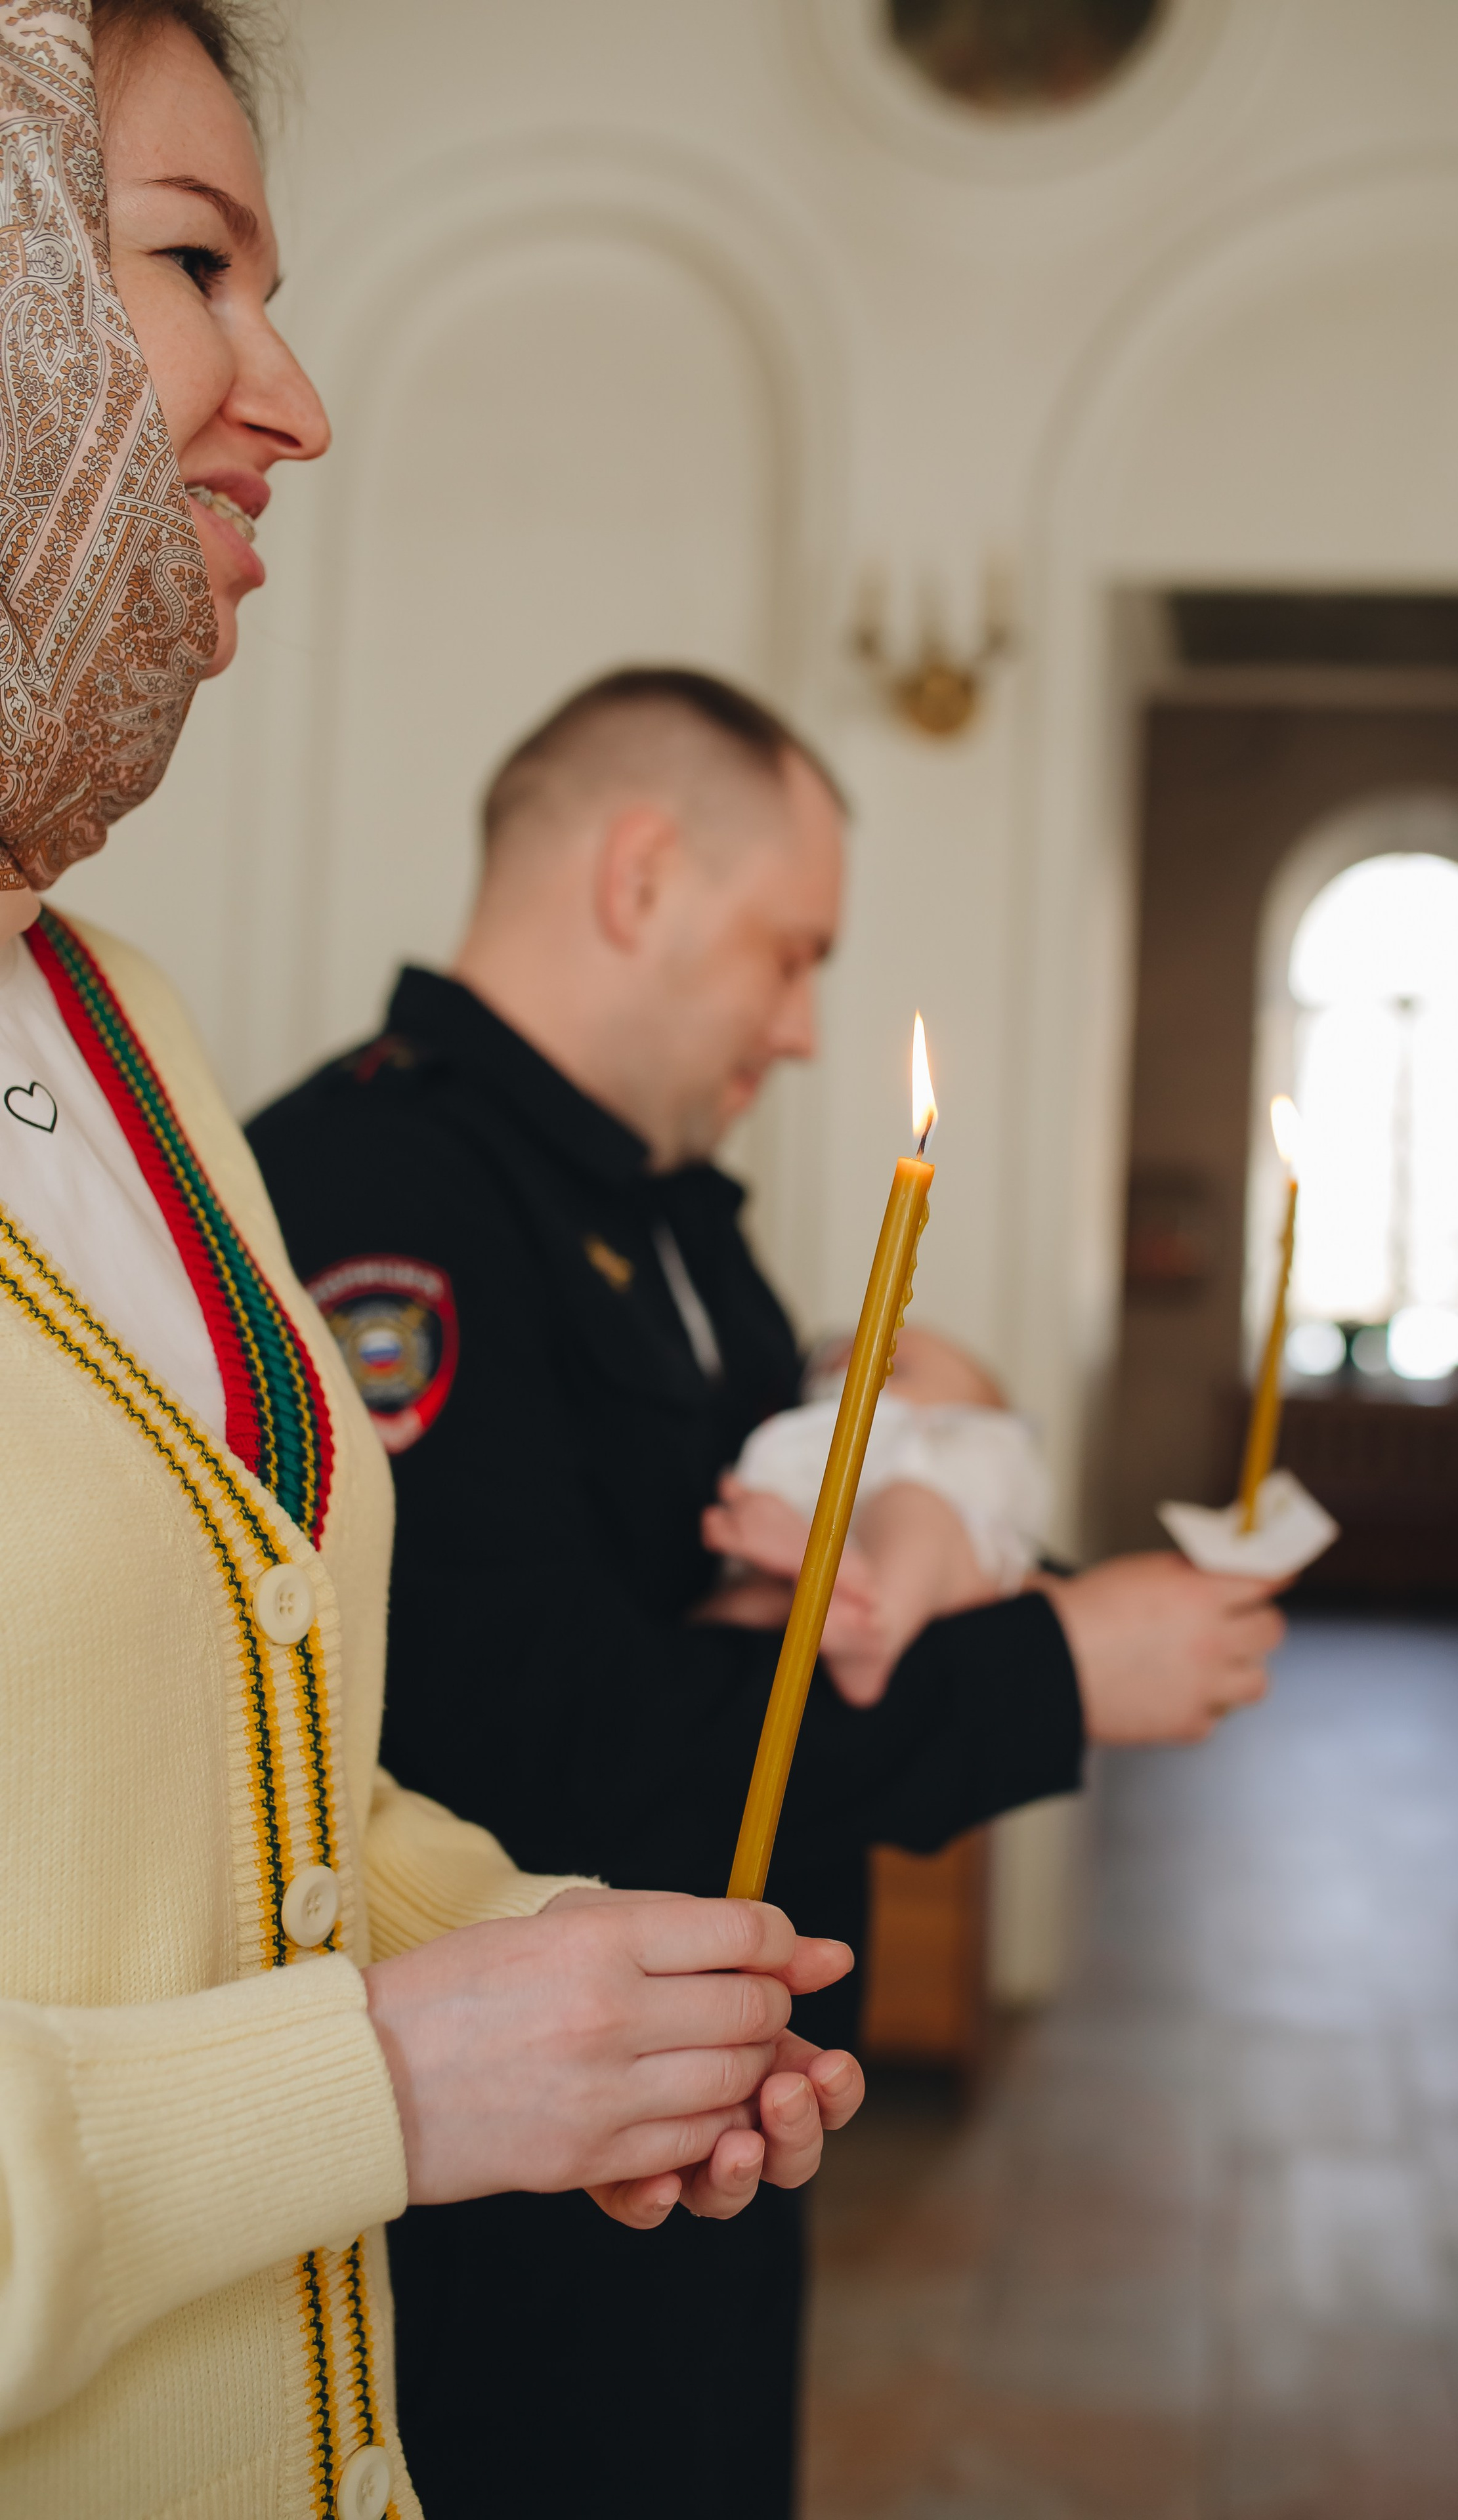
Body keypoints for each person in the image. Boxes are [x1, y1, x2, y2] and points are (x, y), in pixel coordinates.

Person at [0, 16, 861, 2517]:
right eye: (191, 264)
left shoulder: (113, 1012)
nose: (295, 398)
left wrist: (594, 1977)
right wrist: (392, 2075)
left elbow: (258, 1761)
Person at [250, 664, 1284, 2517]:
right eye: (789, 953)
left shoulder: (672, 1211)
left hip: (719, 2106)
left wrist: (940, 1488)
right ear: (642, 876)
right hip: (515, 2173)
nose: (802, 1028)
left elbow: (762, 1577)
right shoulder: (376, 1193)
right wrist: (1053, 1671)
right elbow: (512, 1746)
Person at [698, 1322, 1054, 1705]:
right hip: (818, 1561)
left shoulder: (951, 1457)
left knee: (915, 1510)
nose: (854, 1369)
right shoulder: (807, 1445)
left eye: (897, 1370)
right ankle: (814, 1598)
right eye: (829, 1372)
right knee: (746, 1600)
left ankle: (874, 1627)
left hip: (948, 1564)